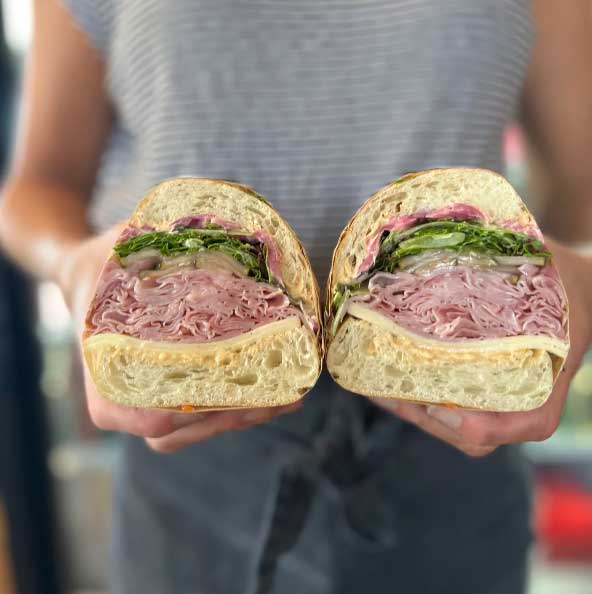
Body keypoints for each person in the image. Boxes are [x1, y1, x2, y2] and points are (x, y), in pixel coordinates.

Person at [1, 1, 592, 593]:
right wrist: (75, 265)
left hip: (457, 440)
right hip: (190, 462)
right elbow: (37, 186)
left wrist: (572, 279)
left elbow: (580, 188)